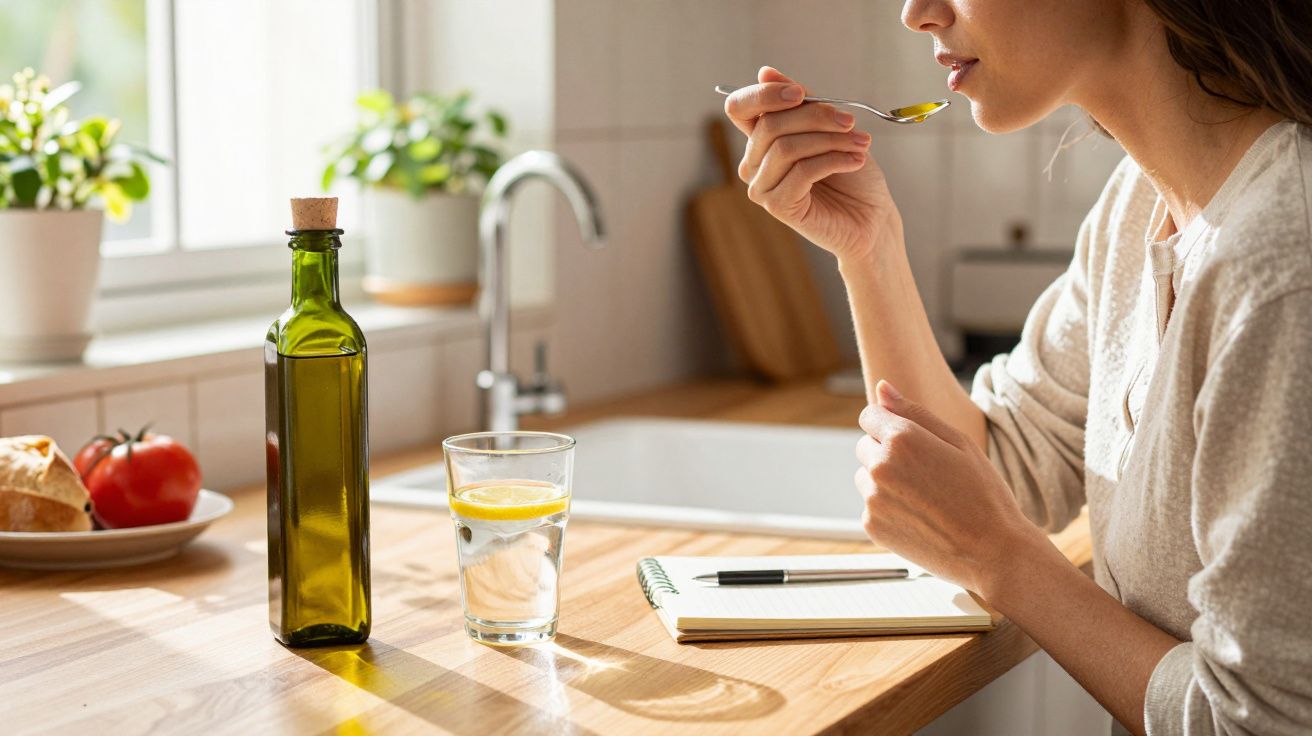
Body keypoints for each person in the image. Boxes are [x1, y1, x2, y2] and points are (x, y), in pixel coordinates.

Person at [723, 1, 1312, 734]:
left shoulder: (1282, 262)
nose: (916, 13)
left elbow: (1262, 723)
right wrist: (867, 249)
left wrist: (1001, 560)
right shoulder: (1137, 206)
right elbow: (1001, 468)